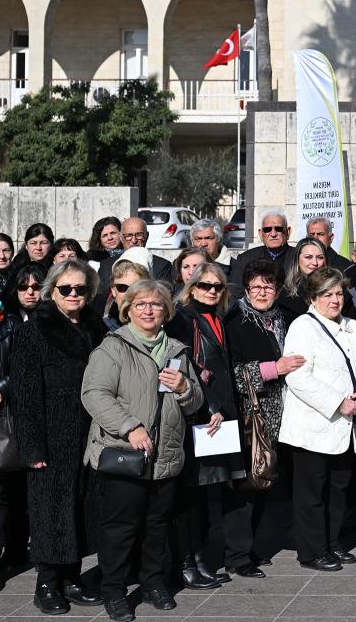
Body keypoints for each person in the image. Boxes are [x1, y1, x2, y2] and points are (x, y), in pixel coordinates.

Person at [82, 279, 204, 622]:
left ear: (166, 311)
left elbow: (195, 401)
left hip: (165, 455)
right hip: (124, 454)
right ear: (128, 310)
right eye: (140, 304)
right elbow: (94, 394)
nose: (148, 310)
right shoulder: (113, 347)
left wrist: (184, 388)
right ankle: (114, 590)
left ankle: (153, 583)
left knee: (157, 524)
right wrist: (129, 426)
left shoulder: (177, 349)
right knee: (119, 528)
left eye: (155, 304)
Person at [12, 259, 106, 615]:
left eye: (80, 289)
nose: (73, 294)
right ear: (52, 291)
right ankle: (46, 583)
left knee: (81, 507)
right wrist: (32, 445)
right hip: (51, 434)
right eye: (65, 288)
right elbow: (24, 393)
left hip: (90, 432)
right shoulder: (34, 331)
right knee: (51, 510)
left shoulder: (97, 327)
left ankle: (72, 576)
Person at [278, 267, 356, 571]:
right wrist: (338, 403)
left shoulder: (350, 325)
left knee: (338, 489)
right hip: (314, 426)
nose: (335, 300)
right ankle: (311, 551)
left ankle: (332, 544)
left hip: (346, 427)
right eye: (327, 295)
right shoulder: (302, 327)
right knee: (312, 494)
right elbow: (298, 377)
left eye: (338, 294)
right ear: (312, 297)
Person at [222, 259, 303, 579]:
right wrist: (275, 369)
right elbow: (230, 374)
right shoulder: (234, 322)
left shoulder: (285, 318)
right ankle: (236, 555)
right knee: (244, 486)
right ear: (246, 289)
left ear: (278, 289)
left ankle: (248, 547)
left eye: (268, 285)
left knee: (262, 483)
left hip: (280, 416)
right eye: (255, 286)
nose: (262, 292)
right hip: (247, 417)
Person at [169, 262, 242, 590]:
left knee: (208, 490)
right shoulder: (183, 318)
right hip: (196, 415)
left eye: (217, 286)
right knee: (191, 494)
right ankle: (187, 561)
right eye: (204, 285)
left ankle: (199, 558)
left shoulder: (219, 317)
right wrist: (208, 406)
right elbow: (182, 367)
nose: (211, 291)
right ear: (191, 286)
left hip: (217, 414)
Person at [0, 262, 43, 591]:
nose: (30, 293)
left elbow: (24, 367)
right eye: (25, 287)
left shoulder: (4, 322)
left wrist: (1, 387)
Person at [229, 211, 295, 286]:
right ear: (260, 234)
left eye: (279, 229)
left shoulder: (299, 257)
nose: (273, 234)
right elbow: (235, 290)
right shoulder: (245, 260)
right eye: (267, 230)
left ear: (288, 232)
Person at [277, 237, 328, 322]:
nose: (315, 263)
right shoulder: (285, 295)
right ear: (297, 259)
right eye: (308, 257)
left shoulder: (337, 290)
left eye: (320, 257)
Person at [120, 217, 173, 282]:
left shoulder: (162, 266)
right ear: (121, 238)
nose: (134, 240)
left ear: (147, 236)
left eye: (139, 235)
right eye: (128, 235)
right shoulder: (106, 266)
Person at [103, 259, 149, 331]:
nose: (129, 293)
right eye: (122, 287)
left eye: (135, 287)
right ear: (113, 291)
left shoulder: (156, 323)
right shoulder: (102, 327)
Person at [191, 219, 237, 283]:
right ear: (192, 241)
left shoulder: (235, 266)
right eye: (198, 239)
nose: (203, 244)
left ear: (219, 239)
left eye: (208, 238)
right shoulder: (180, 264)